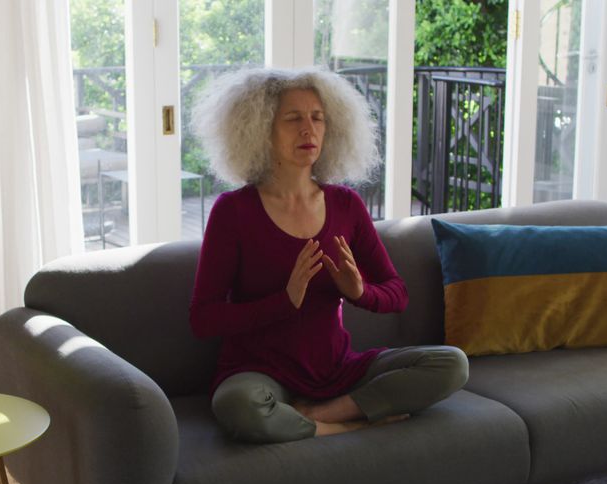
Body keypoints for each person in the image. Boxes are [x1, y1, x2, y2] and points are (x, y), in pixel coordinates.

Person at [189, 67, 467, 443]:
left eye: (317, 118)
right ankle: (343, 426)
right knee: (238, 405)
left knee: (451, 364)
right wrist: (284, 302)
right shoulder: (233, 211)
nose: (309, 130)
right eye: (293, 119)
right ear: (259, 129)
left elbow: (396, 293)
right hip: (260, 374)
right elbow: (203, 319)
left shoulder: (345, 204)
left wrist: (359, 293)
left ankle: (321, 415)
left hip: (338, 371)